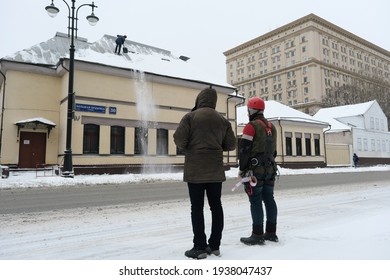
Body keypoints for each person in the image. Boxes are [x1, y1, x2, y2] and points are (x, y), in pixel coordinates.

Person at [174, 86, 236, 259]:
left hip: (195, 170)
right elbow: (231, 144)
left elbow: (179, 139)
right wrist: (217, 146)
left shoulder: (190, 117)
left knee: (197, 208)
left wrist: (190, 146)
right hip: (215, 170)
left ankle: (199, 247)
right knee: (216, 207)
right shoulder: (223, 121)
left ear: (199, 99)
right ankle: (215, 246)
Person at [238, 97, 279, 245]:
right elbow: (273, 151)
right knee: (269, 199)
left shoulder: (251, 126)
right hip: (270, 169)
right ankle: (271, 232)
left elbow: (244, 150)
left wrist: (242, 169)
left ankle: (257, 234)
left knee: (255, 201)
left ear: (251, 110)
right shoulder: (272, 126)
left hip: (255, 171)